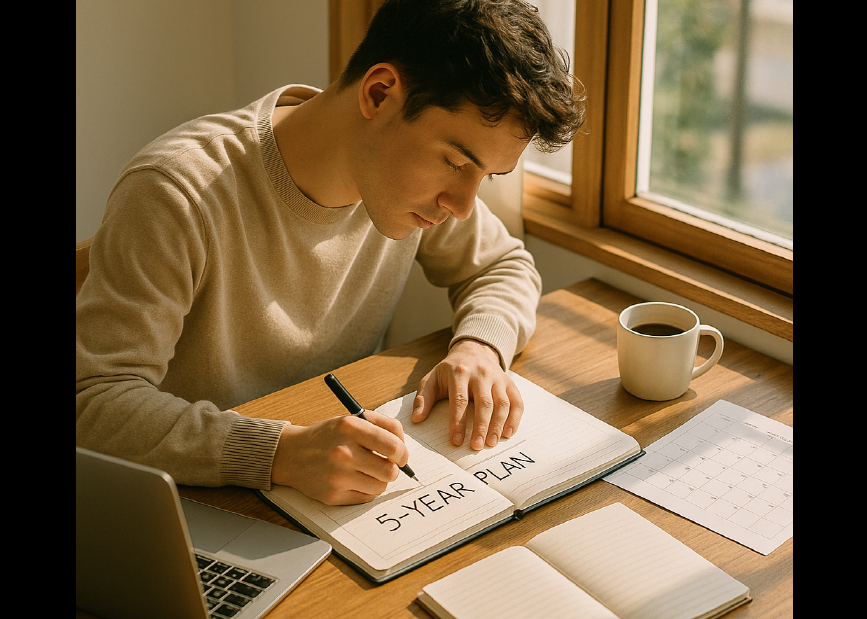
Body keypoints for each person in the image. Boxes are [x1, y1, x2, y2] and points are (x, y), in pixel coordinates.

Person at [75, 0, 584, 506]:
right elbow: (94, 402)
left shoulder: (400, 183)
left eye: (487, 176)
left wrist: (480, 348)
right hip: (200, 501)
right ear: (379, 94)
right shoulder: (176, 191)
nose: (462, 207)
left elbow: (503, 265)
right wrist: (279, 452)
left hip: (337, 488)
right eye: (455, 162)